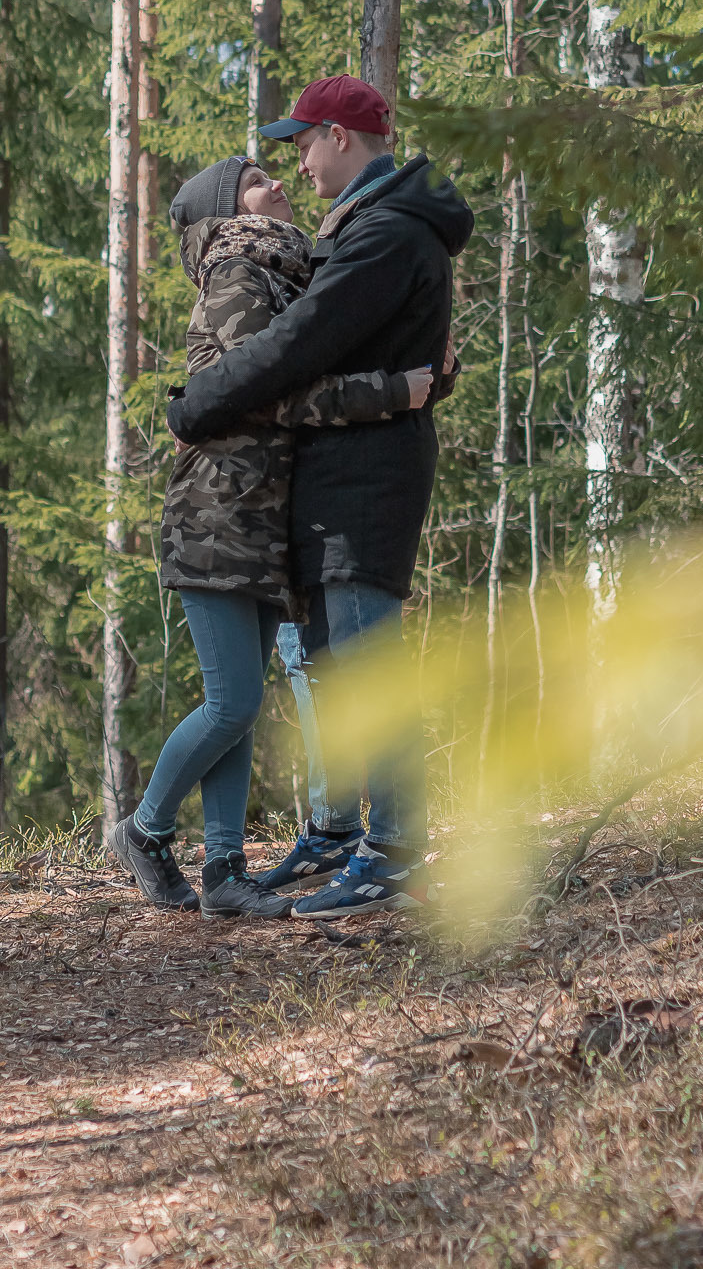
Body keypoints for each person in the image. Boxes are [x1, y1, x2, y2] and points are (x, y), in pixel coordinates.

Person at [167, 76, 474, 920]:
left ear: (340, 136)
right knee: (335, 670)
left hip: (367, 483)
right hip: (335, 481)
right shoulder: (361, 228)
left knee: (369, 671)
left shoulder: (385, 232)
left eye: (303, 144)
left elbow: (300, 343)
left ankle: (394, 853)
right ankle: (341, 836)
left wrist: (195, 406)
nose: (298, 164)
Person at [109, 152, 433, 920]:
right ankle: (144, 830)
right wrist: (387, 392)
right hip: (218, 514)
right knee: (232, 703)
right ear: (228, 211)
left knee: (240, 705)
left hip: (262, 519)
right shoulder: (238, 276)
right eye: (256, 181)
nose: (278, 182)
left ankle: (224, 870)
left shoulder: (283, 274)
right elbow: (262, 395)